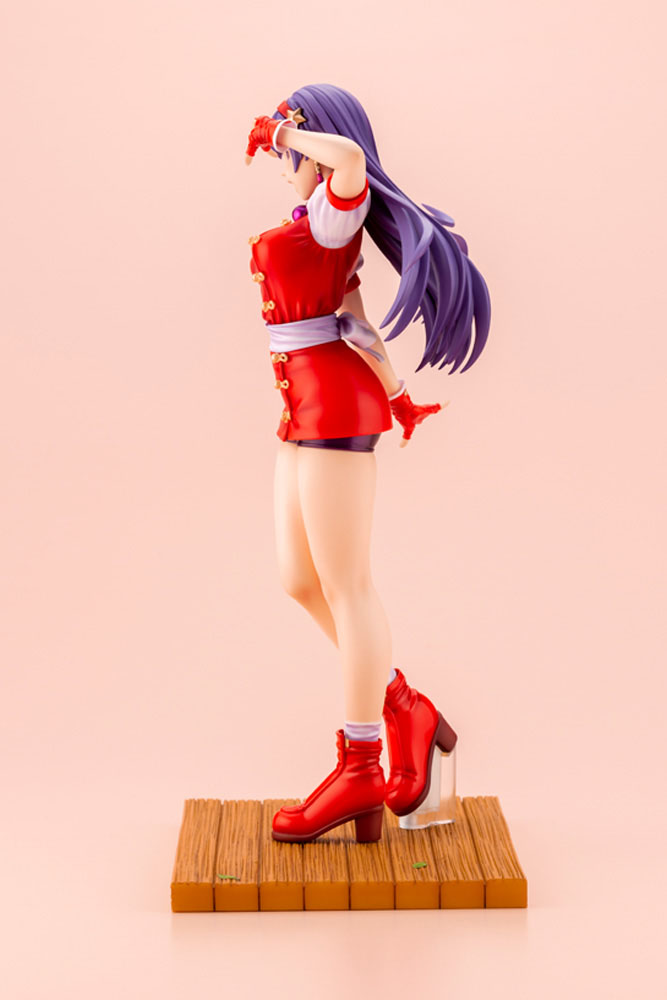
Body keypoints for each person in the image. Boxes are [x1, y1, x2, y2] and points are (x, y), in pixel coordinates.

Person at [244, 84, 491, 844]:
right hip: (304, 407)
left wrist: (283, 128)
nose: (284, 159)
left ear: (310, 140)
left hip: (332, 411)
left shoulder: (335, 205)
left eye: (294, 144)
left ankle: (360, 766)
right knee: (299, 579)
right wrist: (399, 393)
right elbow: (352, 318)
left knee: (347, 585)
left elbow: (351, 156)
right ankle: (405, 706)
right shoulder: (316, 222)